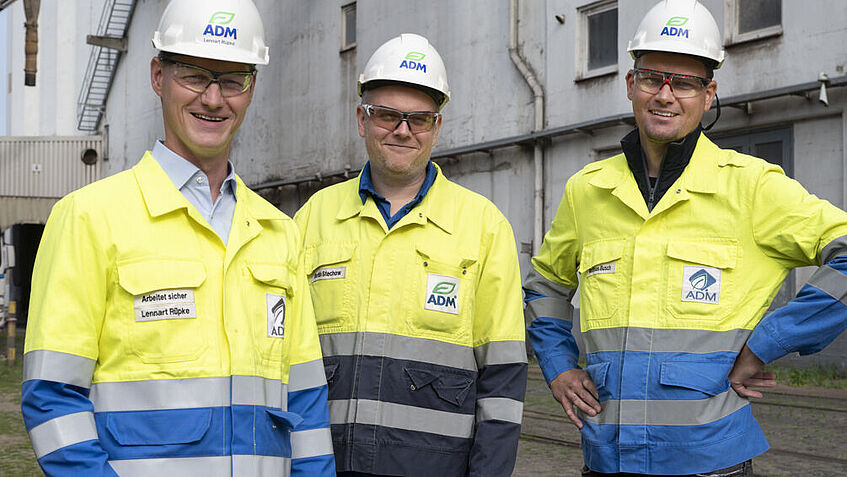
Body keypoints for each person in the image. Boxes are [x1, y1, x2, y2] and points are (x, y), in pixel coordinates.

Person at [525, 0, 847, 475]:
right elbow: (546, 285)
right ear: (631, 84)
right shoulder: (587, 191)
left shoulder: (751, 186)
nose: (665, 95)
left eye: (686, 82)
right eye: (653, 77)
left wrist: (769, 341)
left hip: (711, 464)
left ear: (708, 93)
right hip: (607, 460)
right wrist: (558, 364)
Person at [20, 1, 334, 475]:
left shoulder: (278, 233)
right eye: (193, 75)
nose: (213, 99)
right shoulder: (89, 219)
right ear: (157, 76)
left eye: (232, 80)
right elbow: (52, 399)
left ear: (252, 89)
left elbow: (306, 403)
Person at [293, 33, 527, 477]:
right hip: (325, 465)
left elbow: (503, 378)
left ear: (436, 127)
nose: (402, 129)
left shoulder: (483, 226)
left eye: (418, 119)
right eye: (386, 115)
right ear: (362, 120)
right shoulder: (312, 220)